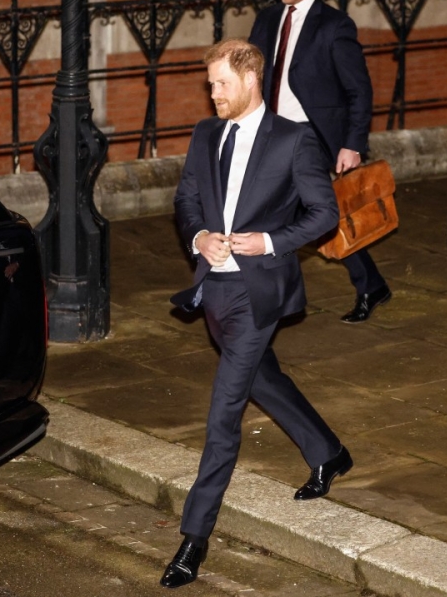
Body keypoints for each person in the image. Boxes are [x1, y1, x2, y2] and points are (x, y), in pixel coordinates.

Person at [162, 39, 350, 589]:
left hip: (257, 294)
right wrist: (200, 238)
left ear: (249, 79)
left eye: (220, 83)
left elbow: (324, 214)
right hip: (212, 293)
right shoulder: (206, 134)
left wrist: (265, 242)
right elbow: (185, 201)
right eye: (210, 84)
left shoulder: (294, 140)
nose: (212, 92)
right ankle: (329, 452)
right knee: (261, 379)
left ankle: (193, 540)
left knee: (224, 412)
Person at [248, 0, 390, 323]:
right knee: (312, 219)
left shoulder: (334, 25)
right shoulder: (267, 20)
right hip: (272, 133)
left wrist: (352, 144)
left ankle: (274, 301)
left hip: (310, 137)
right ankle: (370, 283)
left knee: (283, 219)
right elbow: (252, 75)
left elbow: (359, 90)